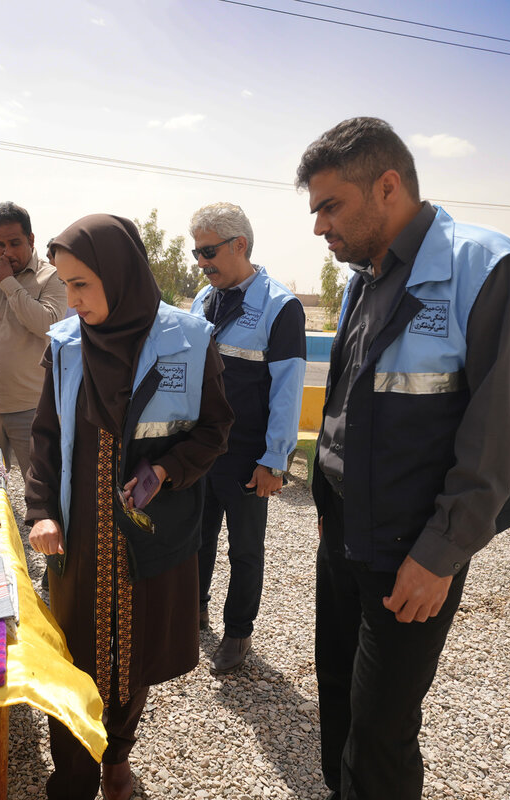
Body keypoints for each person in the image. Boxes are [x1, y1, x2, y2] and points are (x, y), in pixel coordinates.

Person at [296, 117, 510, 799]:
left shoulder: (486, 268)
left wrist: (441, 554)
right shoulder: (365, 277)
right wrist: (325, 503)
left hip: (412, 548)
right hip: (344, 532)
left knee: (382, 728)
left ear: (388, 186)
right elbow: (346, 404)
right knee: (337, 692)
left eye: (330, 206)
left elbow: (496, 434)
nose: (318, 226)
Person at [25, 214, 232, 800]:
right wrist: (42, 511)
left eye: (82, 284)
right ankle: (72, 780)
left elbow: (215, 429)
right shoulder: (66, 345)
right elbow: (47, 440)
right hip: (79, 539)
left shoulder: (189, 339)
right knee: (73, 660)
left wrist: (165, 469)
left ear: (119, 275)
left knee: (130, 658)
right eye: (65, 284)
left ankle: (117, 761)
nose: (72, 300)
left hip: (150, 536)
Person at [188, 202, 306, 673]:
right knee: (197, 537)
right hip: (201, 449)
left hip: (247, 454)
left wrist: (274, 459)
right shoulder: (203, 299)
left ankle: (238, 633)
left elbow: (288, 390)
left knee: (245, 549)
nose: (202, 262)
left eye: (209, 251)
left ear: (240, 245)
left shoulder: (280, 307)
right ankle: (194, 611)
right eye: (197, 252)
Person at [0, 201, 67, 470]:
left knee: (39, 483)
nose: (6, 252)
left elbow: (47, 324)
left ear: (31, 239)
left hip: (29, 409)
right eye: (0, 245)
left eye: (14, 243)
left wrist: (8, 282)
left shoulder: (52, 278)